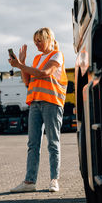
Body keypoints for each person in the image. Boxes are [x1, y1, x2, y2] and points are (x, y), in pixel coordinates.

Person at [8, 27, 67, 193]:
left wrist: (20, 65)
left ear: (48, 39)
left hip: (51, 103)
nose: (37, 44)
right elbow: (28, 81)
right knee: (33, 144)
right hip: (35, 103)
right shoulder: (36, 58)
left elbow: (44, 73)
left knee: (53, 143)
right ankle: (29, 182)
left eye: (39, 41)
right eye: (35, 42)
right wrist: (22, 64)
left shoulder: (57, 55)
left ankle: (54, 180)